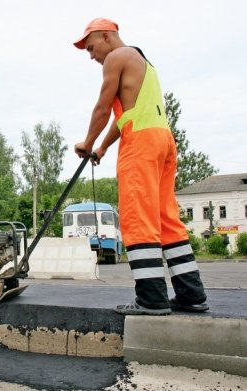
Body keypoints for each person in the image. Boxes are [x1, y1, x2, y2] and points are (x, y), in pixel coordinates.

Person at [72, 18, 208, 315]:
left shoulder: (115, 58)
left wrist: (86, 141)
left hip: (142, 145)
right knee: (165, 218)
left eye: (91, 47)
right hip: (163, 139)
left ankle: (151, 299)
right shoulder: (142, 61)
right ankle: (191, 294)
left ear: (107, 37)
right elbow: (126, 115)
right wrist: (103, 147)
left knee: (137, 216)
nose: (91, 55)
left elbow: (103, 107)